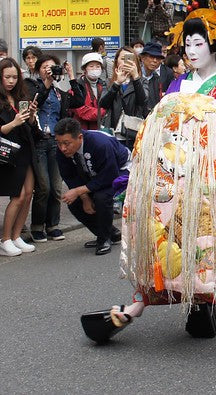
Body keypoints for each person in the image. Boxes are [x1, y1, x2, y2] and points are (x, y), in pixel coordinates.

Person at [81, 0, 216, 344]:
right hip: (169, 180)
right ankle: (139, 304)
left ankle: (199, 302)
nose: (192, 51)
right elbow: (155, 130)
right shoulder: (177, 85)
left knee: (199, 246)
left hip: (211, 185)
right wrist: (134, 171)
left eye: (200, 43)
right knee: (160, 242)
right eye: (188, 43)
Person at [54, 118, 129, 254]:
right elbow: (69, 176)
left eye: (66, 143)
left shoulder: (100, 144)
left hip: (119, 171)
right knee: (73, 202)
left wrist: (80, 190)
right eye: (59, 143)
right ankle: (109, 233)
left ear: (80, 137)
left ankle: (104, 239)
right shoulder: (61, 151)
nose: (63, 148)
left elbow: (109, 176)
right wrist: (83, 197)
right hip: (90, 175)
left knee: (102, 197)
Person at [26, 55, 76, 243]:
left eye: (53, 67)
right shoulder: (32, 85)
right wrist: (46, 83)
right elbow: (34, 101)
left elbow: (76, 100)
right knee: (43, 187)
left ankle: (53, 225)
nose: (49, 70)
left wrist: (70, 75)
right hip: (39, 142)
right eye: (45, 67)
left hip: (56, 142)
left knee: (56, 187)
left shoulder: (59, 90)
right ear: (38, 69)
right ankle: (37, 226)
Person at [0, 58, 39, 256]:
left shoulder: (21, 96)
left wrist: (31, 114)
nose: (11, 81)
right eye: (7, 77)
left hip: (25, 148)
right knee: (18, 195)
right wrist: (14, 122)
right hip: (8, 152)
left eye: (15, 77)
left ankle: (16, 236)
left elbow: (30, 125)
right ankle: (5, 239)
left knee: (29, 193)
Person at [98, 47, 145, 148]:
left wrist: (136, 78)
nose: (126, 62)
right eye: (122, 59)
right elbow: (103, 103)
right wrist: (117, 83)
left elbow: (143, 101)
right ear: (116, 62)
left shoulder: (142, 81)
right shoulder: (108, 82)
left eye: (130, 59)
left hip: (133, 132)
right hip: (113, 132)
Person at [69, 52, 107, 130]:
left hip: (101, 131)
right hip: (82, 132)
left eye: (98, 66)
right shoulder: (77, 87)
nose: (95, 69)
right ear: (84, 69)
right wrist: (104, 112)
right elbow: (82, 111)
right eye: (91, 66)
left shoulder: (105, 86)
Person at [138, 42, 164, 112]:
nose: (155, 61)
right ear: (143, 58)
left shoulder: (157, 78)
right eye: (151, 57)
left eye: (158, 58)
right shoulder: (135, 77)